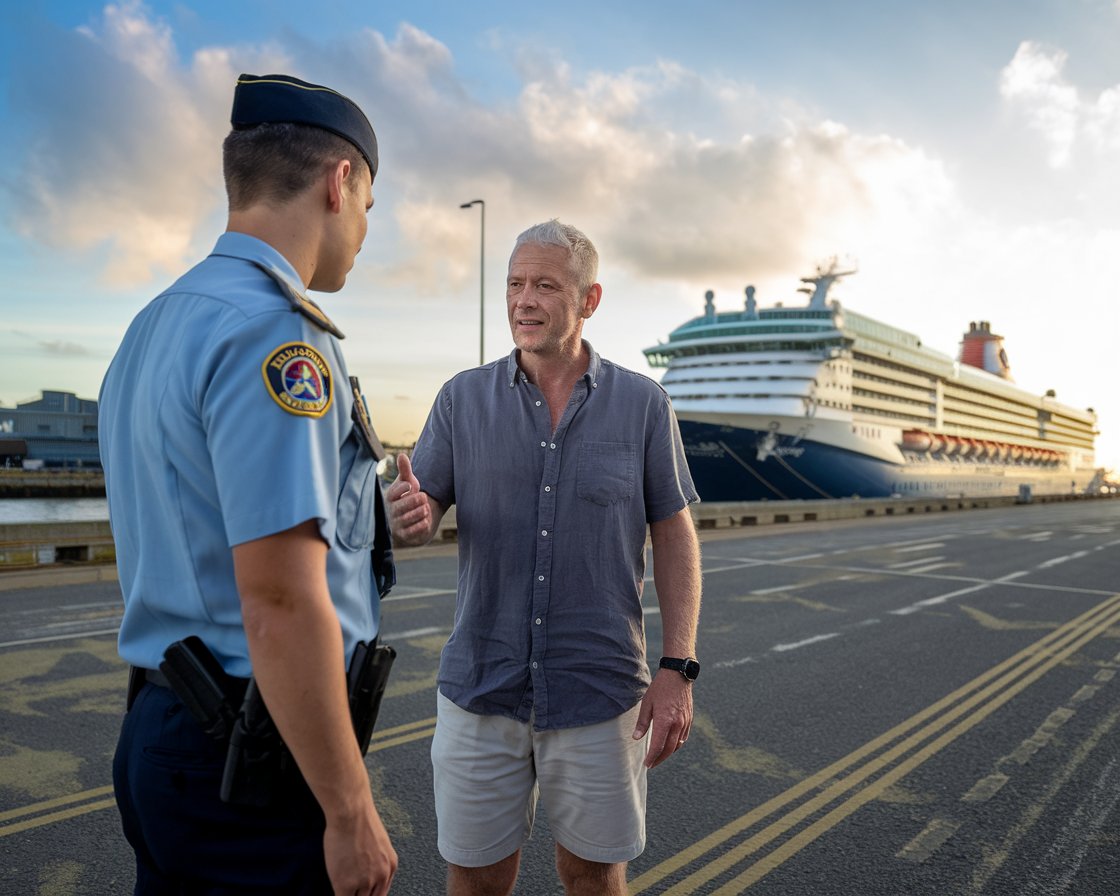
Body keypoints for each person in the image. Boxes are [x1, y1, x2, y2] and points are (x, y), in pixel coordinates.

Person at [99, 73, 398, 895]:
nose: (367, 229)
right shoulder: (279, 331)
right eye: (371, 203)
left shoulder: (156, 322)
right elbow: (277, 598)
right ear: (341, 183)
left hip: (164, 729)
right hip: (246, 756)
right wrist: (348, 810)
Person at [388, 219, 702, 895]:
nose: (523, 301)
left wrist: (678, 667)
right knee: (476, 880)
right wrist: (407, 517)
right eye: (514, 284)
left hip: (600, 690)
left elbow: (675, 534)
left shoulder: (644, 405)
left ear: (588, 300)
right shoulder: (460, 399)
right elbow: (420, 514)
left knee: (591, 875)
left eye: (544, 286)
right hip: (481, 690)